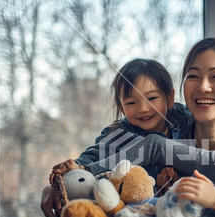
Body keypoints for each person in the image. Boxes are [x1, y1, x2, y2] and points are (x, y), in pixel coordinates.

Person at [50, 58, 193, 181]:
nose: (143, 108)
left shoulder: (186, 120)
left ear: (169, 98)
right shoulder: (118, 133)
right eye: (131, 103)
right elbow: (95, 156)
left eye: (152, 98)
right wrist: (76, 166)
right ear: (121, 107)